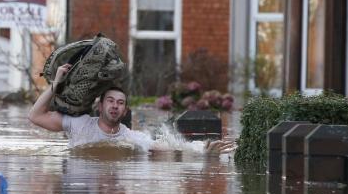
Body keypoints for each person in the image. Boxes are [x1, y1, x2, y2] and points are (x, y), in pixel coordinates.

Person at [29, 63, 236, 154]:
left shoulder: (133, 139)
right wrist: (57, 83)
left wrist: (203, 149)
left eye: (120, 103)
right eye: (110, 101)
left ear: (125, 111)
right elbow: (36, 116)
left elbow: (173, 148)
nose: (115, 106)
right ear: (99, 106)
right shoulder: (79, 124)